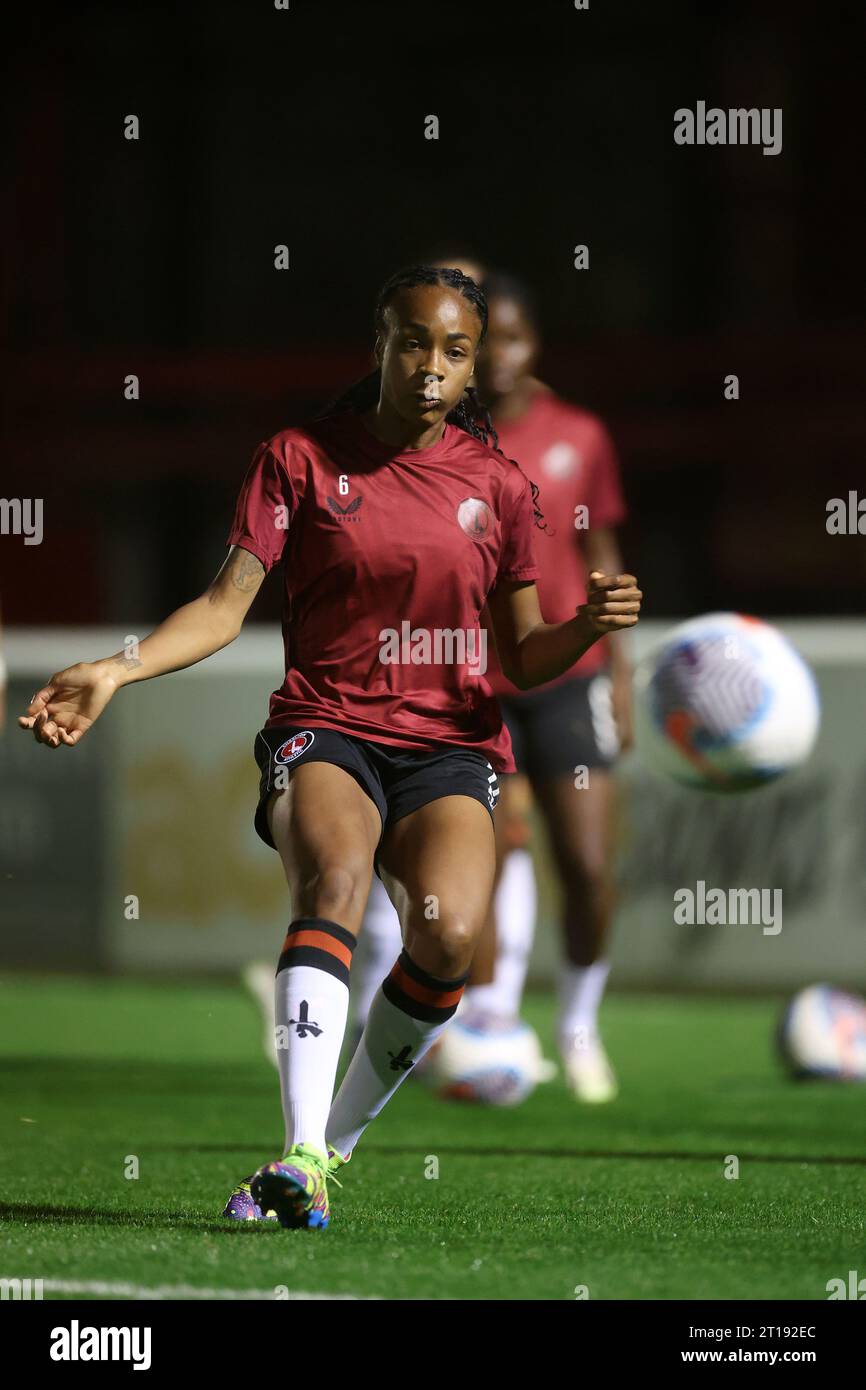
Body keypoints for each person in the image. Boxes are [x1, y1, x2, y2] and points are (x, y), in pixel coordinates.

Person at [19, 265, 642, 1231]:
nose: (432, 366)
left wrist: (589, 627)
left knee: (449, 941)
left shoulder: (501, 487)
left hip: (450, 745)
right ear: (380, 345)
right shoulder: (299, 459)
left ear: (474, 368)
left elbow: (521, 652)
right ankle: (300, 1143)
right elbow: (225, 610)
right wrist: (116, 667)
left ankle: (323, 1157)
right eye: (413, 342)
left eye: (455, 350)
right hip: (329, 727)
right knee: (336, 885)